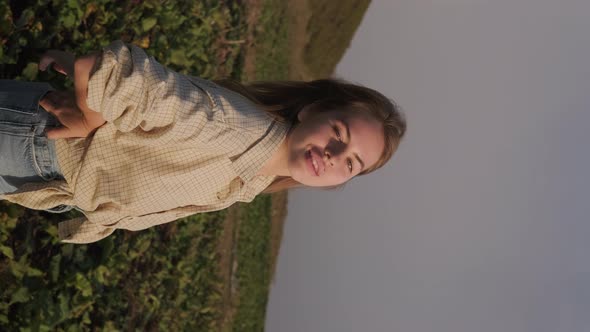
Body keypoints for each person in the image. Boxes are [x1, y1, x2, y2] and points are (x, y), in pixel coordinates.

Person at [0, 40, 406, 244]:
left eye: (351, 163)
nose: (333, 157)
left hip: (41, 167)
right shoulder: (240, 131)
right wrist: (91, 109)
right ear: (311, 110)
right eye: (339, 133)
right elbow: (129, 79)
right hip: (34, 143)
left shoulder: (254, 176)